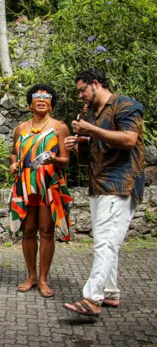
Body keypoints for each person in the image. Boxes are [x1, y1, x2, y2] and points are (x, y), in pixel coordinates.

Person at [63, 68, 144, 316]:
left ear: (95, 84)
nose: (80, 97)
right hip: (99, 185)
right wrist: (79, 145)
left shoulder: (125, 104)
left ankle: (91, 299)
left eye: (82, 90)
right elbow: (93, 155)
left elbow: (129, 139)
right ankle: (110, 293)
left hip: (120, 184)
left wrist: (92, 131)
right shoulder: (96, 115)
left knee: (105, 243)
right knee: (105, 241)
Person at [9, 84, 72, 298]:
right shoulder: (20, 128)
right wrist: (14, 164)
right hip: (25, 184)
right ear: (30, 104)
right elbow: (14, 154)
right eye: (37, 96)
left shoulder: (59, 127)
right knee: (28, 232)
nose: (42, 98)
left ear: (51, 105)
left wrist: (53, 158)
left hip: (47, 185)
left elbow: (65, 161)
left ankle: (43, 279)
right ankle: (31, 276)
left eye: (47, 96)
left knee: (46, 231)